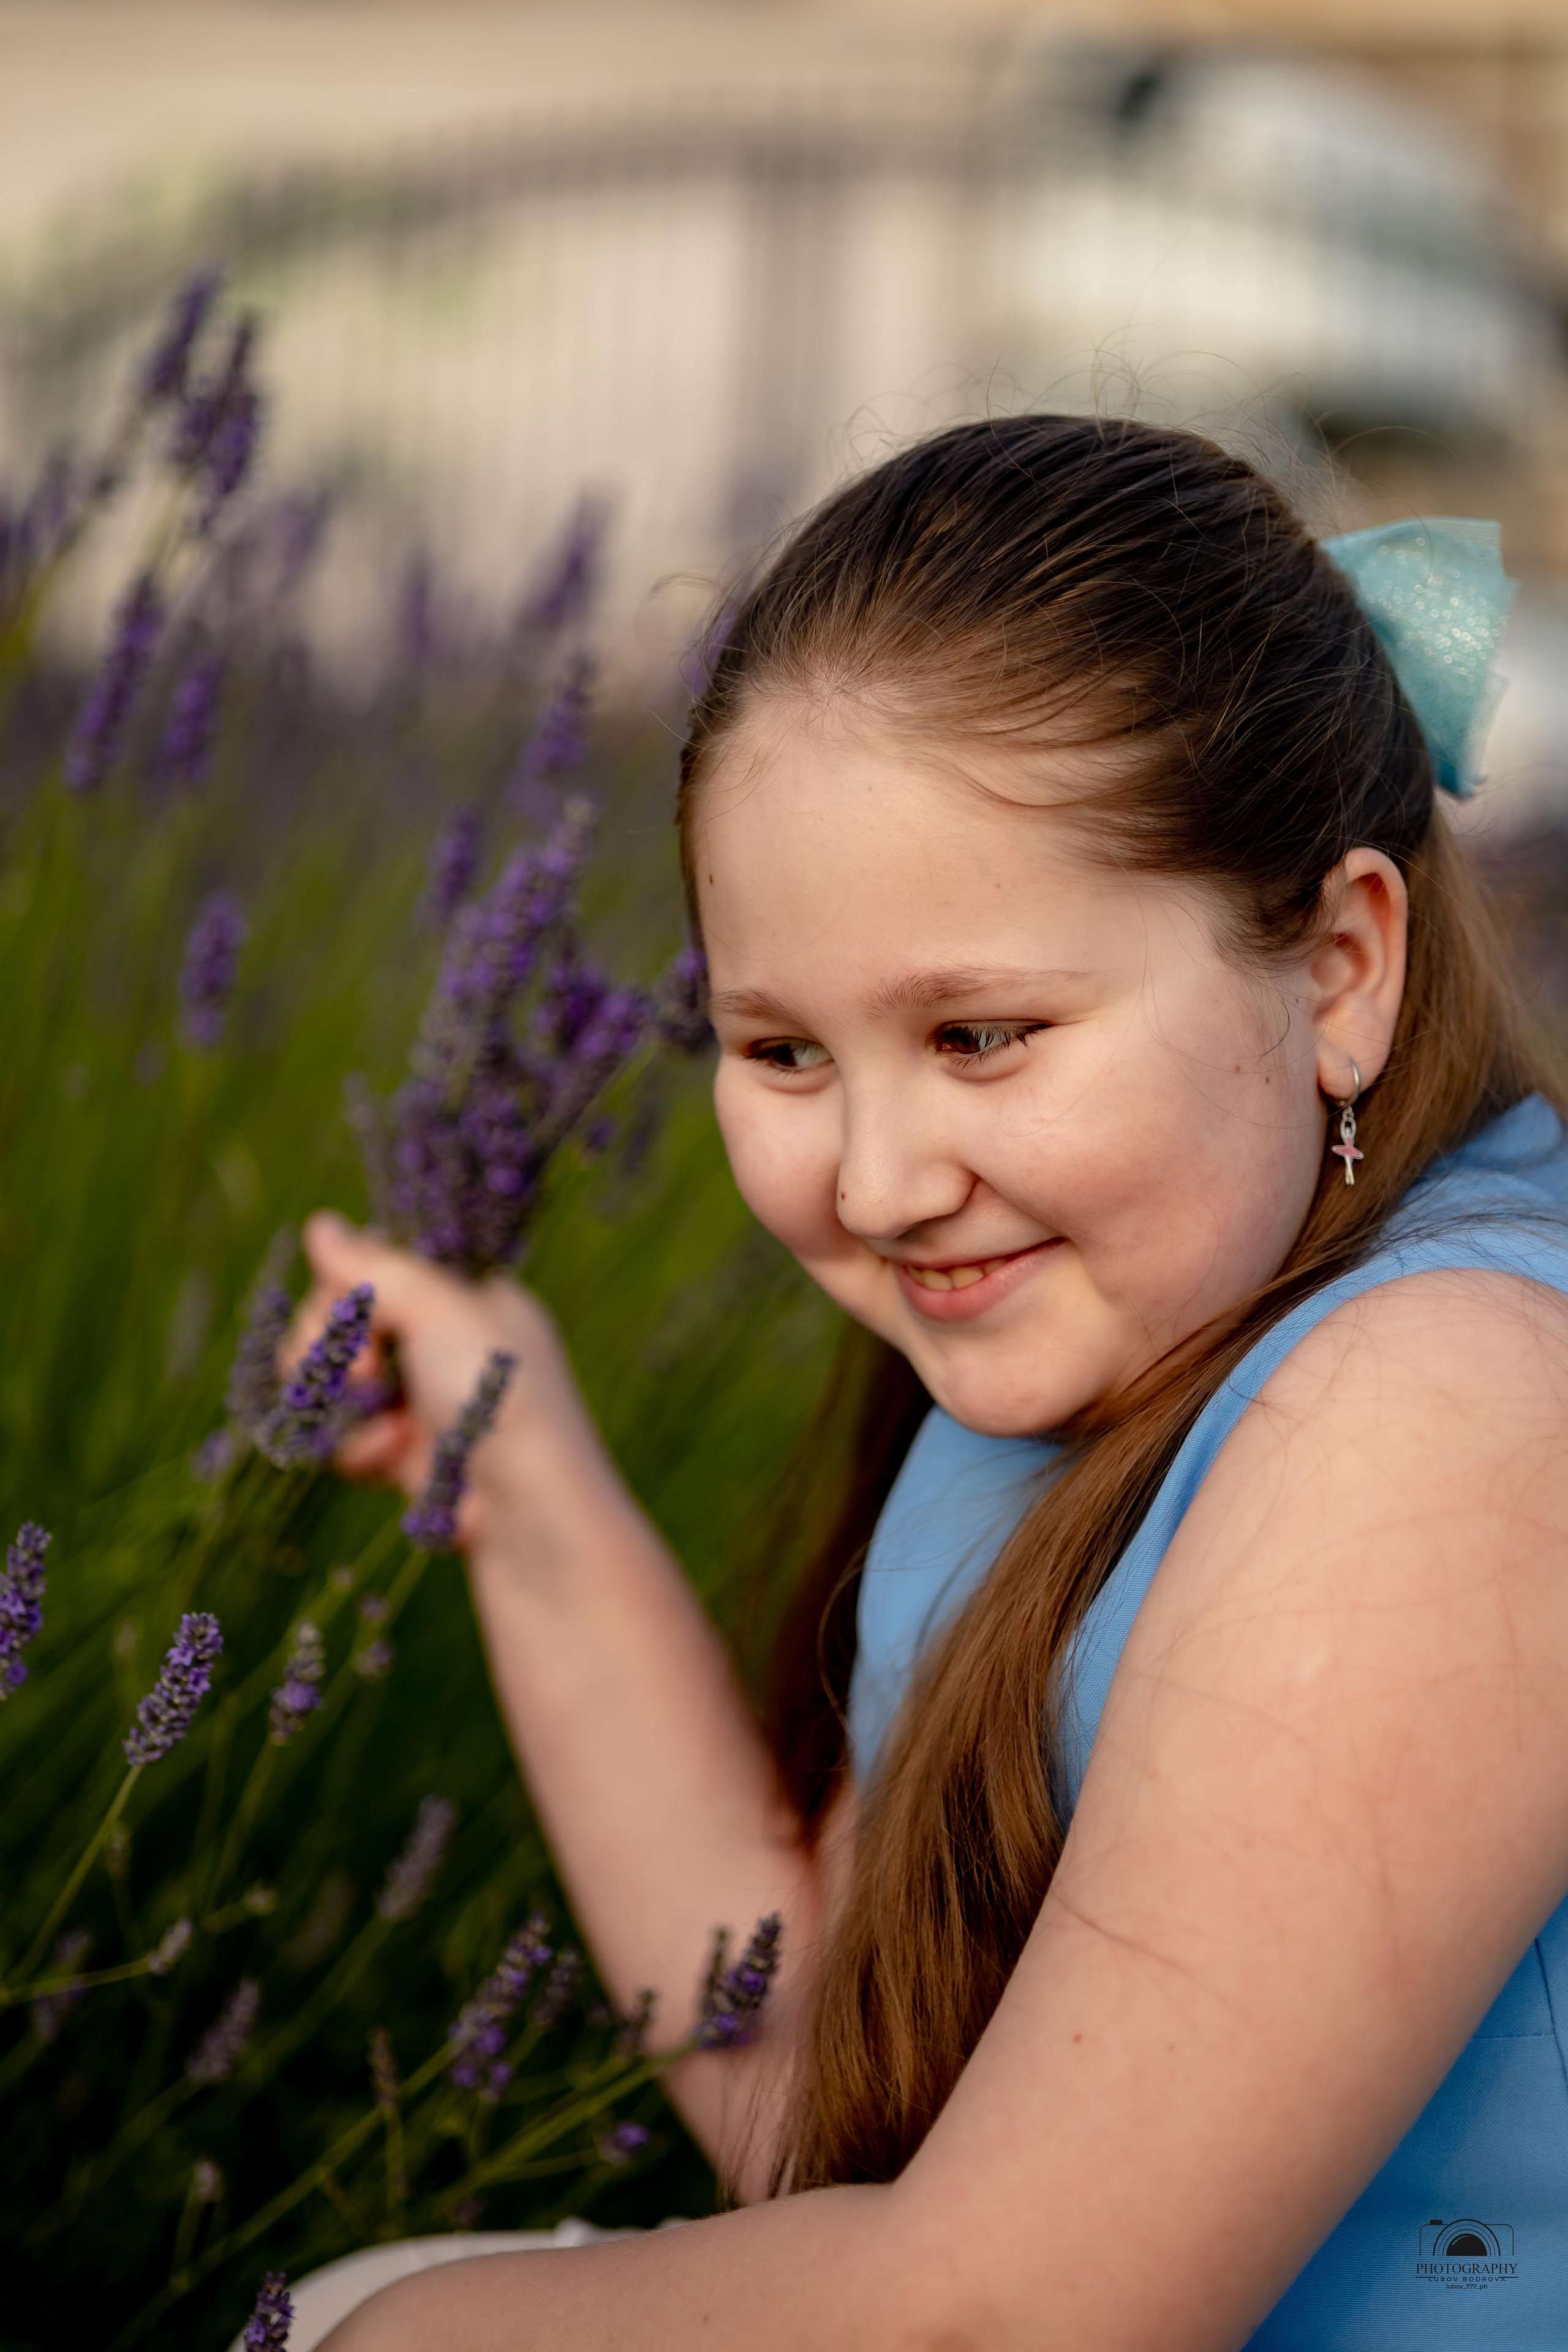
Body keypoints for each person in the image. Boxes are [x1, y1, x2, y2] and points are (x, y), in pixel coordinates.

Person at [306, 417, 1568, 2350]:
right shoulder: (1094, 1369)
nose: (879, 1184)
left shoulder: (1453, 1414)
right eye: (783, 1053)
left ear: (1337, 970)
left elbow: (996, 2317)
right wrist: (525, 1485)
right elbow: (822, 2106)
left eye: (983, 1035)